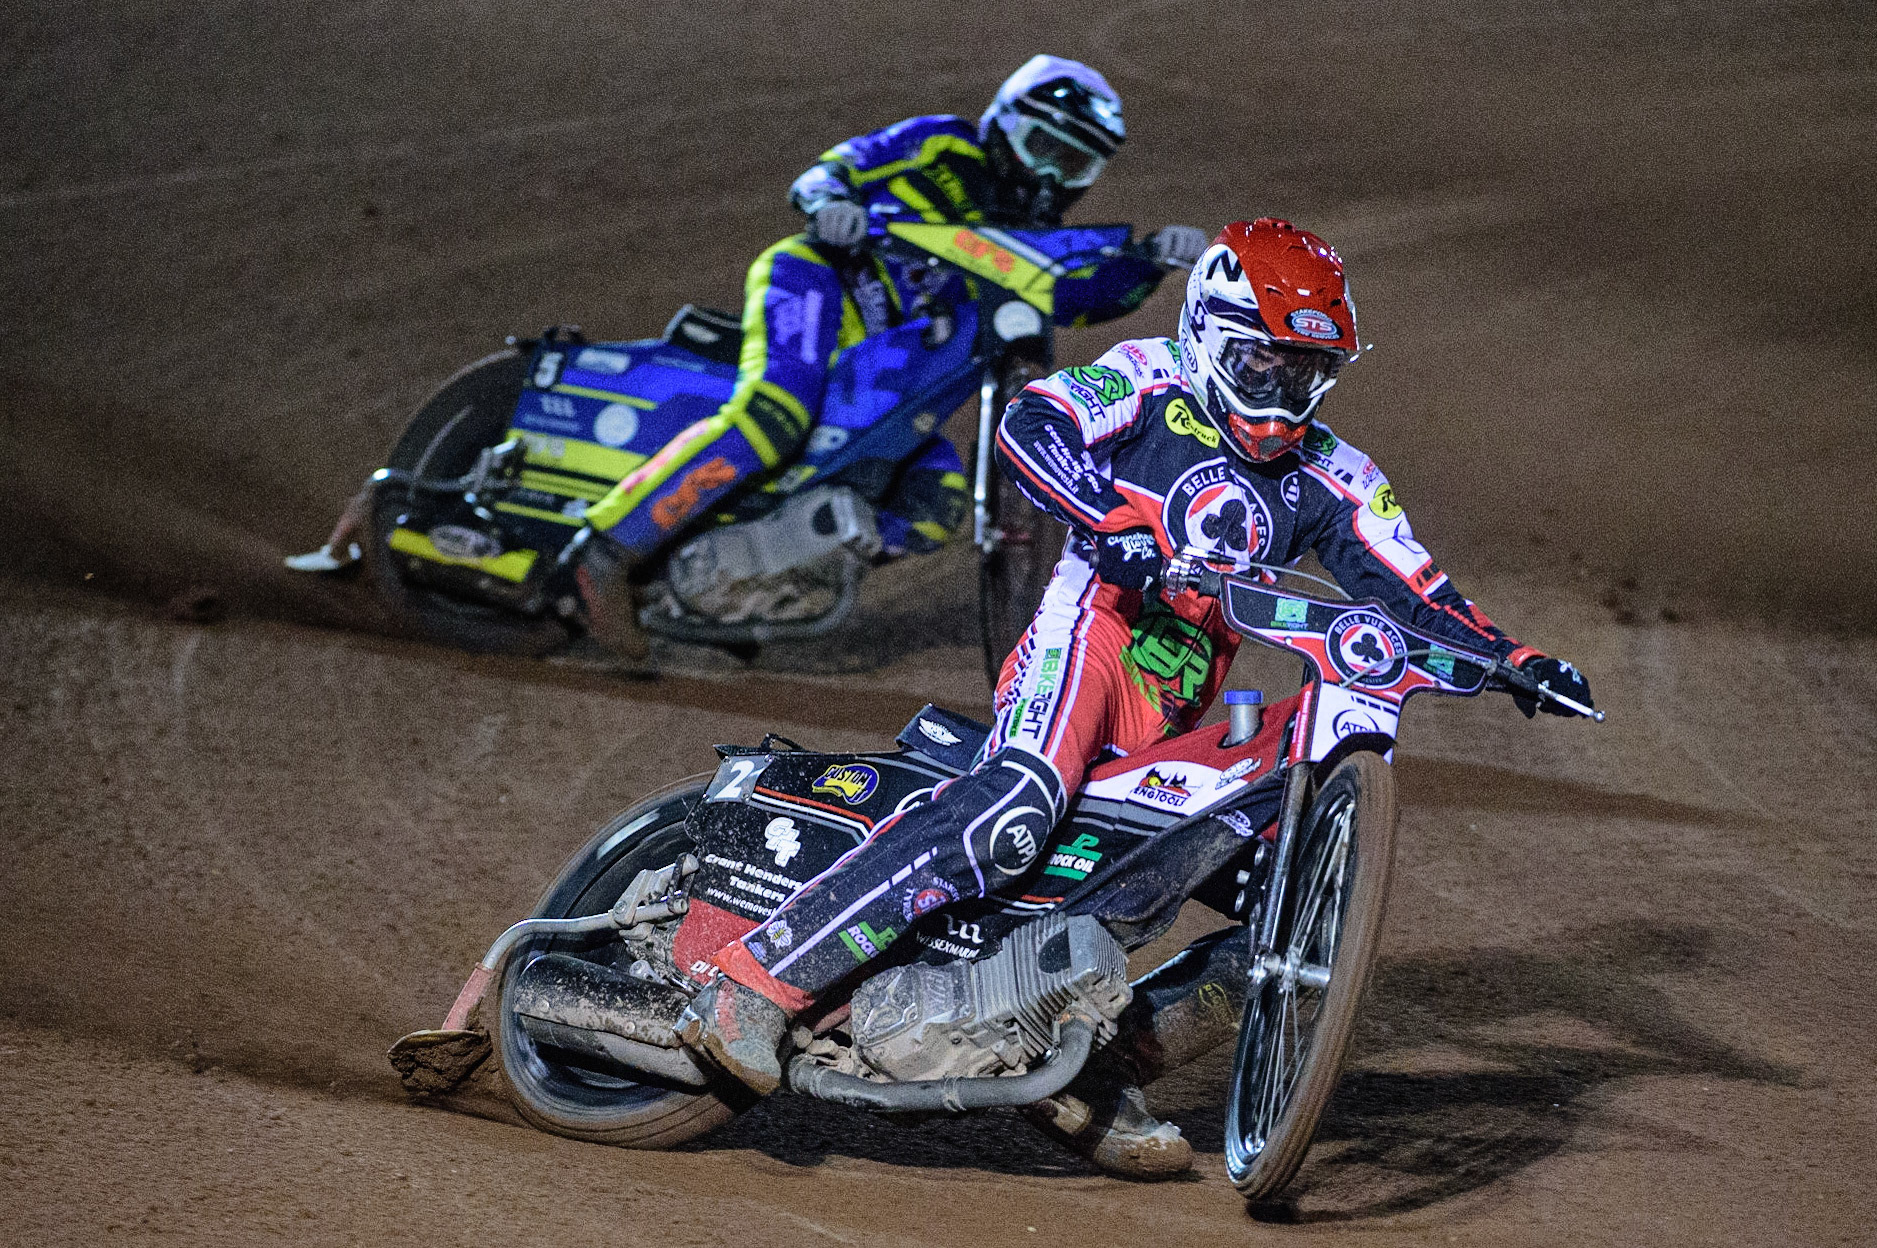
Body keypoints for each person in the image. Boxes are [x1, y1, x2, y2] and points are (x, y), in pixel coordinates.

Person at [674, 217, 1595, 1176]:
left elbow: (1417, 592)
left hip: (1175, 699)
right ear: (1205, 327)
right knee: (1016, 810)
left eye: (1303, 372)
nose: (1279, 394)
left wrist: (1518, 660)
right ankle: (758, 982)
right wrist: (1108, 519)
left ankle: (1090, 1069)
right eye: (1259, 363)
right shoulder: (1147, 375)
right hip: (1090, 640)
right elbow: (1032, 422)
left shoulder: (1336, 474)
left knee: (1286, 902)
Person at [572, 56, 1210, 649]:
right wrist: (831, 205)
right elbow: (834, 169)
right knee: (776, 413)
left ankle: (750, 574)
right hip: (820, 283)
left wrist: (1150, 262)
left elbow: (1081, 299)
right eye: (1043, 148)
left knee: (934, 502)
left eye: (1074, 166)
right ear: (1006, 123)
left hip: (886, 369)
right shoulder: (943, 143)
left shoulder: (1036, 244)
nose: (1049, 176)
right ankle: (607, 549)